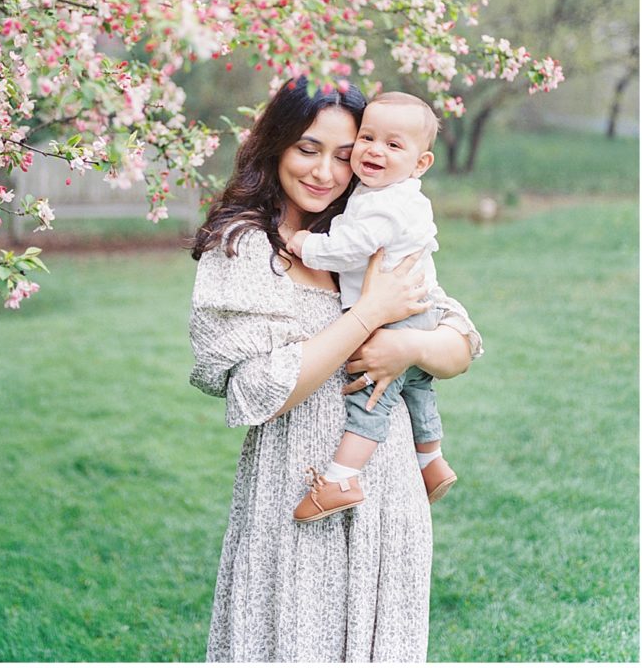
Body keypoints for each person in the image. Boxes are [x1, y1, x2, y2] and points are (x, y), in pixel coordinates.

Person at [189, 78, 483, 663]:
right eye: (307, 148)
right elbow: (257, 392)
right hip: (295, 485)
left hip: (386, 482)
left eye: (345, 155)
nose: (326, 171)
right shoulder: (245, 247)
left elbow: (461, 345)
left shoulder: (371, 234)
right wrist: (369, 316)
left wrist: (411, 350)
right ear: (274, 146)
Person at [285, 91, 457, 522]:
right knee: (417, 387)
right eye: (367, 138)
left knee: (371, 395)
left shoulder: (386, 203)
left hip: (399, 318)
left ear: (421, 163)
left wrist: (306, 244)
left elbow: (349, 248)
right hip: (418, 311)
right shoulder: (386, 193)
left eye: (394, 145)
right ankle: (431, 460)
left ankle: (343, 477)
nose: (375, 150)